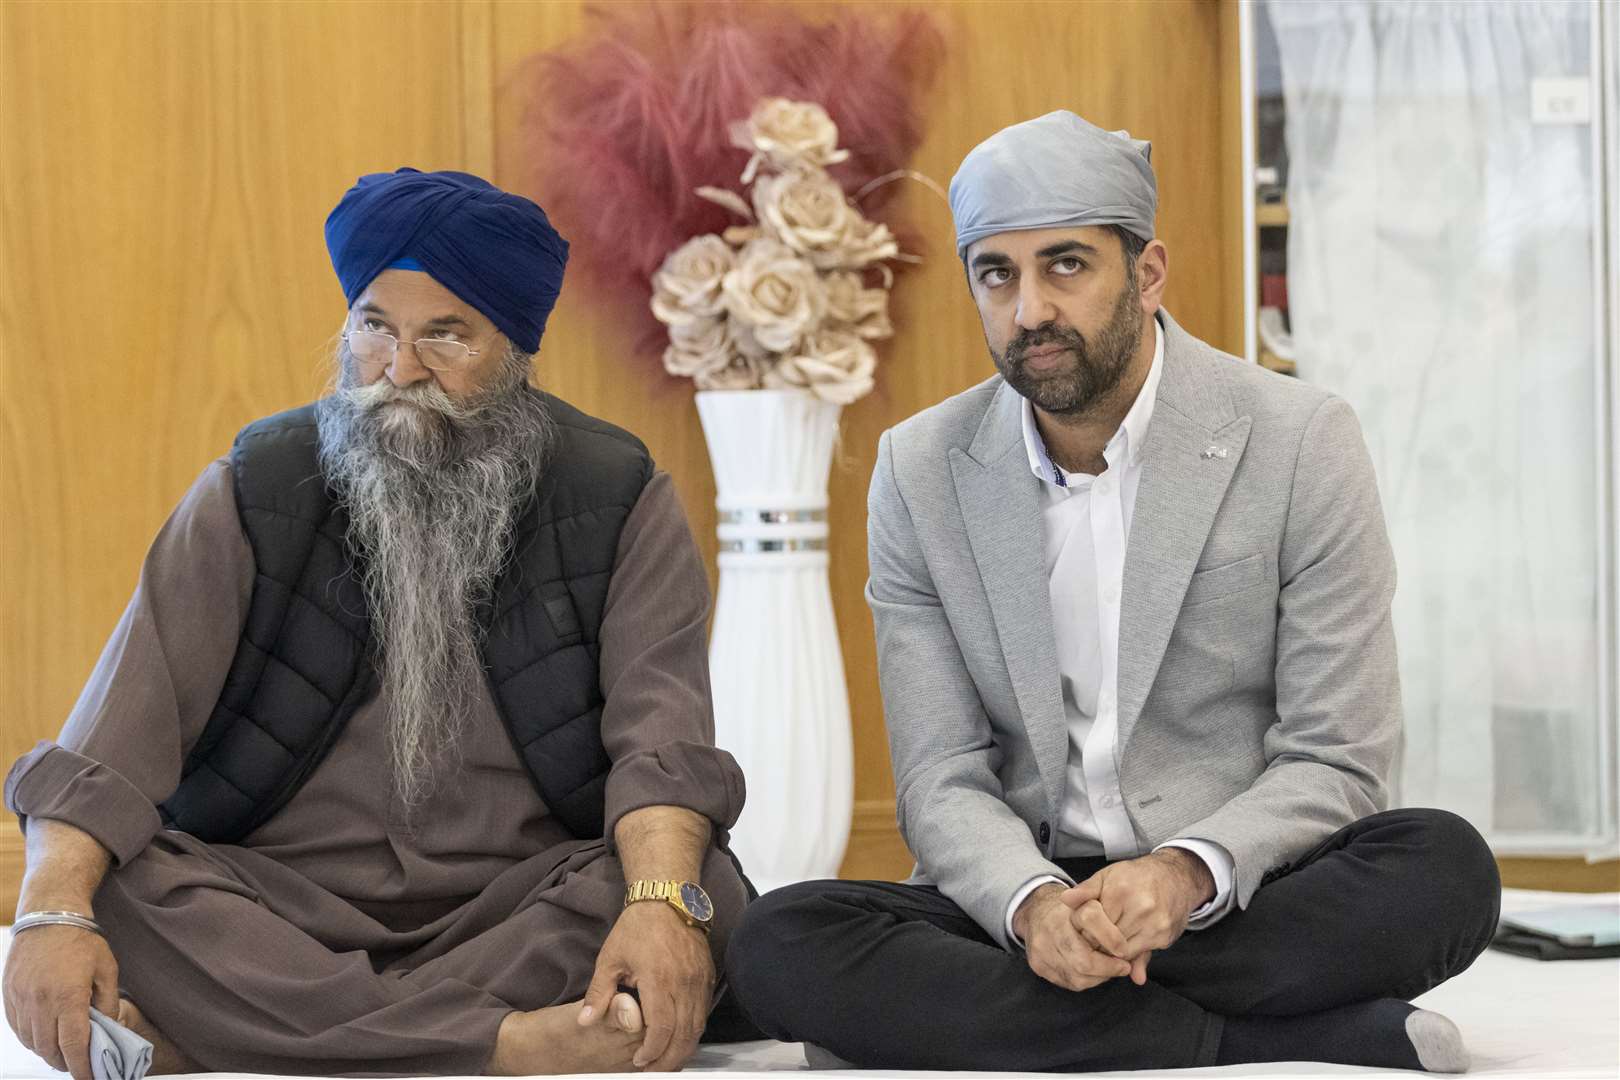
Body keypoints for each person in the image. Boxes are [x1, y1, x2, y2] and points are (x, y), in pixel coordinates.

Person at [726, 111, 1500, 1073]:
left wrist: (1185, 872)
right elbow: (941, 776)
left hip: (1236, 891)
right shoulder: (919, 469)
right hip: (1027, 891)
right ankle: (1285, 1037)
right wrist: (1033, 906)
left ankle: (992, 1028)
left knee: (1445, 870)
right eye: (996, 274)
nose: (1029, 311)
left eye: (1065, 266)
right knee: (777, 942)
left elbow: (1338, 754)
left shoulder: (1299, 439)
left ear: (1147, 272)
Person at [3, 168, 752, 1078]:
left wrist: (660, 902)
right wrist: (50, 913)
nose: (400, 372)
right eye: (374, 328)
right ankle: (506, 1046)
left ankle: (232, 1031)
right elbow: (105, 754)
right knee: (110, 884)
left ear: (514, 348)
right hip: (277, 911)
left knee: (695, 885)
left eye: (445, 335)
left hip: (511, 912)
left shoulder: (616, 496)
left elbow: (662, 752)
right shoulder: (255, 488)